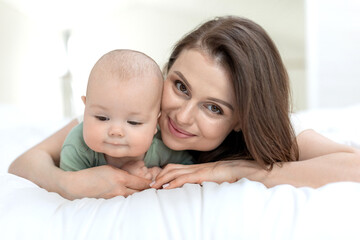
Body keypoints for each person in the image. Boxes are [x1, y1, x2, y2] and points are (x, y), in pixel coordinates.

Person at [8, 16, 360, 200]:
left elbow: (354, 166)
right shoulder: (133, 115)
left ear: (242, 119)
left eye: (214, 108)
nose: (181, 115)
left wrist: (233, 171)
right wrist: (68, 184)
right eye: (180, 86)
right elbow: (25, 161)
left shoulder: (273, 131)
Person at [59, 49, 193, 182]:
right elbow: (70, 186)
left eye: (134, 122)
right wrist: (124, 174)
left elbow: (189, 165)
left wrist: (160, 173)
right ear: (85, 107)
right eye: (102, 118)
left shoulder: (159, 147)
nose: (116, 131)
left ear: (155, 123)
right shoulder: (76, 147)